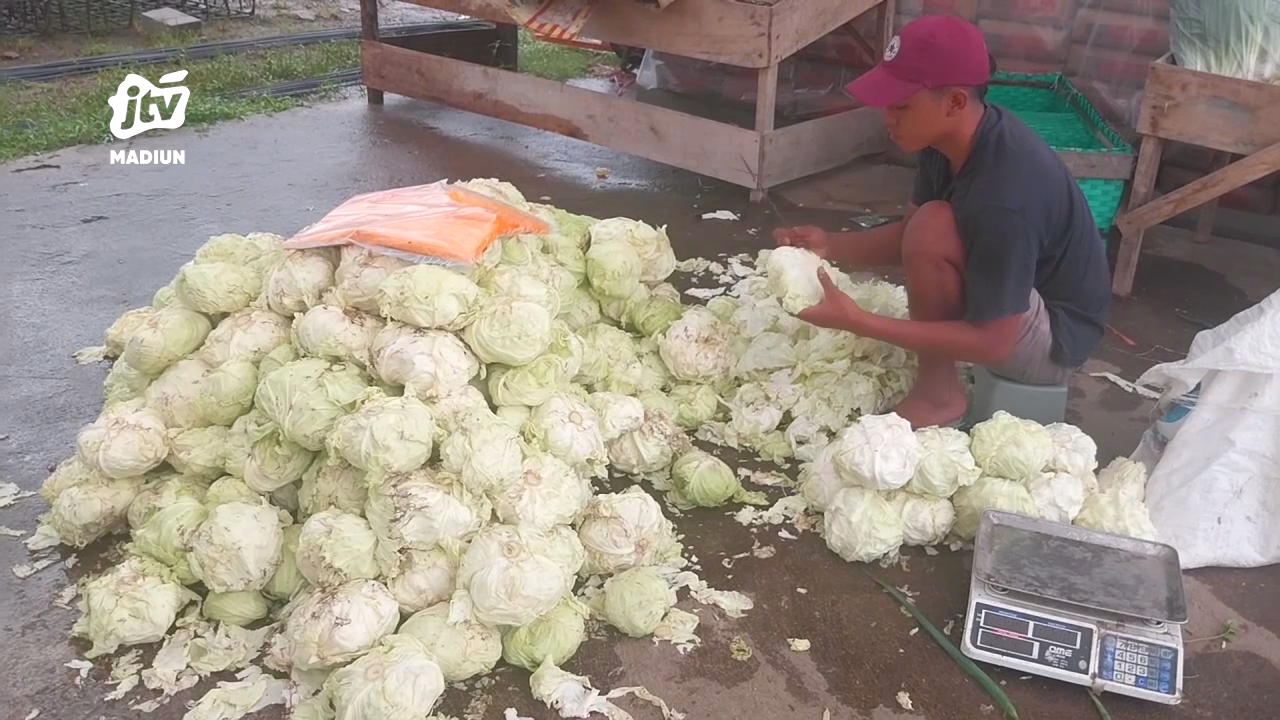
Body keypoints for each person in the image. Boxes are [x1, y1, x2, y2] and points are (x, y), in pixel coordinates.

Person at [774, 14, 1111, 429]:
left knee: (935, 223)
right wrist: (829, 246)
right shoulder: (948, 140)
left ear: (954, 102)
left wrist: (861, 322)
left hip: (1054, 342)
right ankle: (938, 388)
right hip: (1021, 295)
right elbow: (912, 236)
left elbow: (994, 341)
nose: (887, 118)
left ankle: (938, 395)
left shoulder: (1003, 194)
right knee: (930, 224)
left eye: (901, 105)